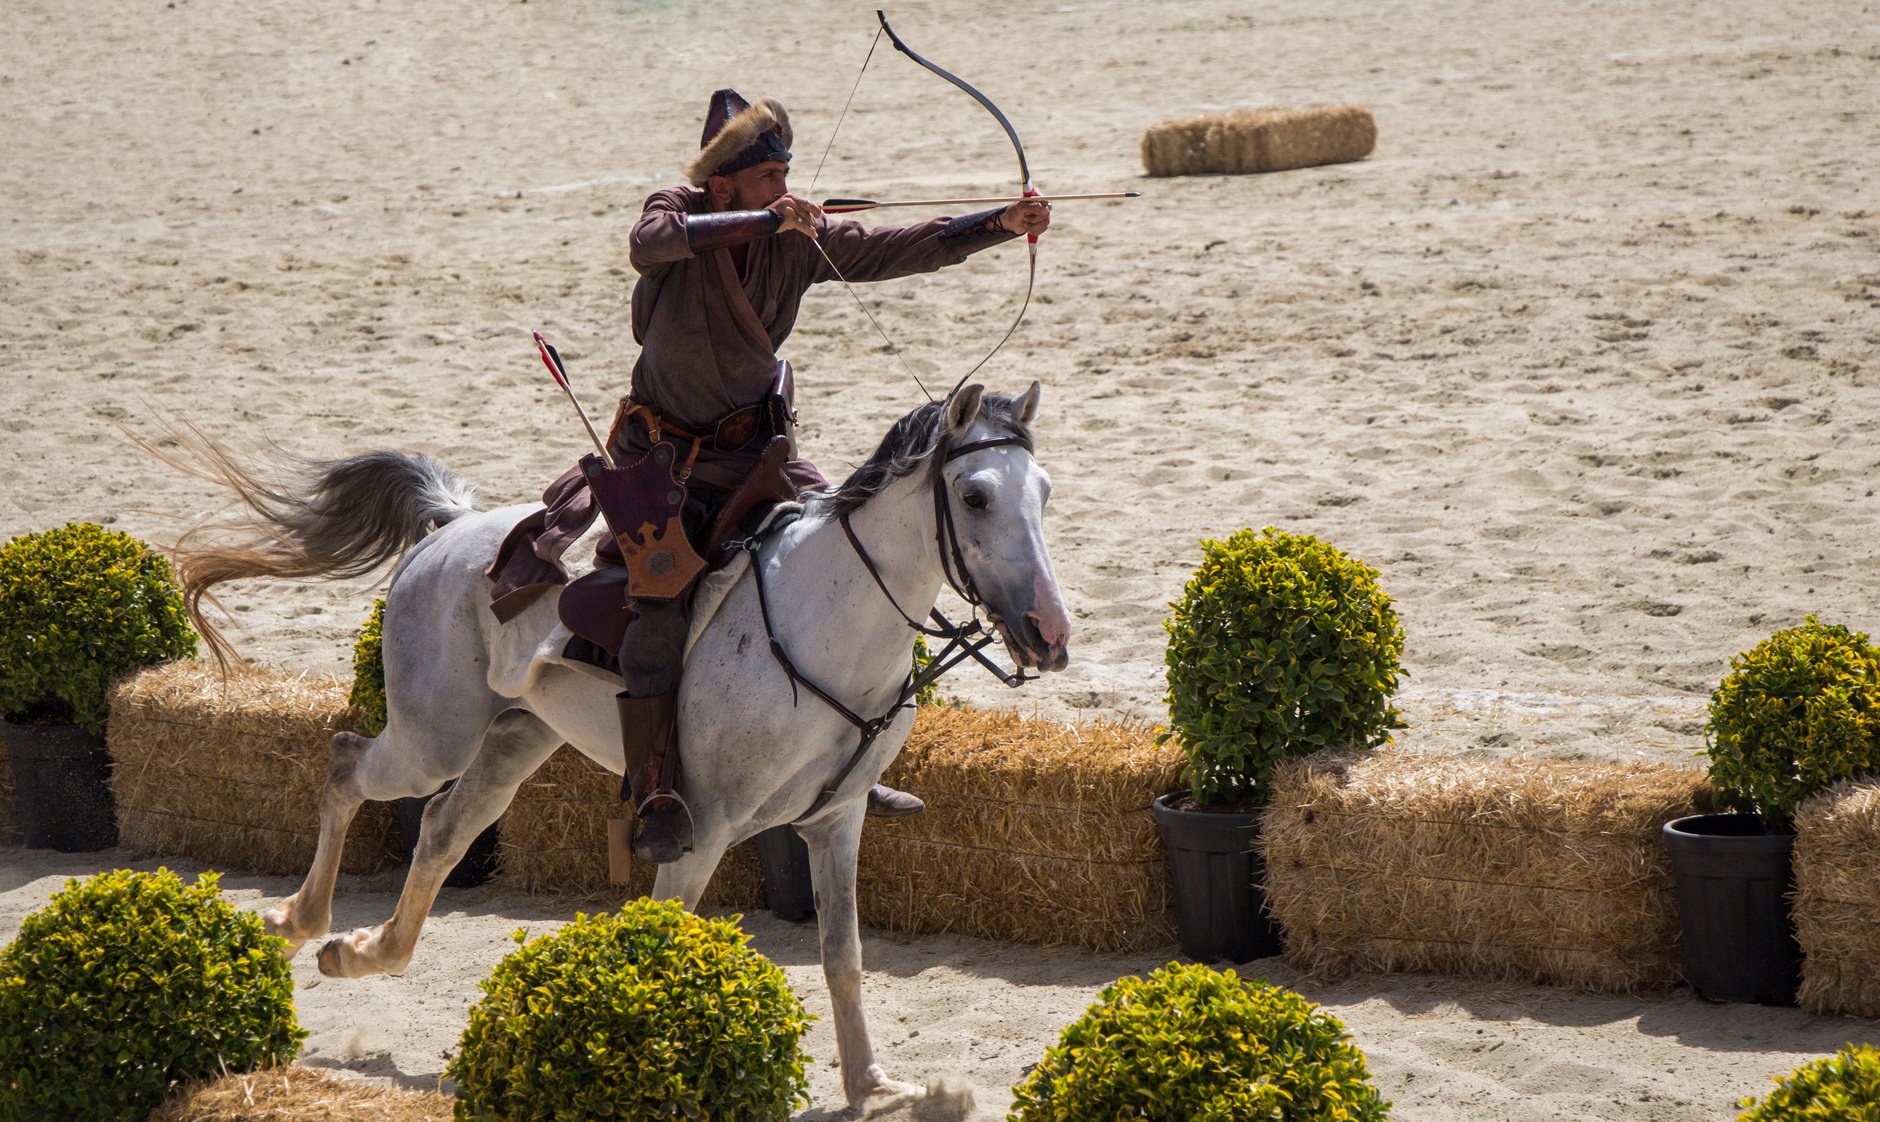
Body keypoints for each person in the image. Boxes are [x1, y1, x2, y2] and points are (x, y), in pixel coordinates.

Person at [605, 88, 1052, 862]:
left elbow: (889, 247)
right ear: (722, 185)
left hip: (756, 451)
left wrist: (997, 226)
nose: (787, 187)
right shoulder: (678, 210)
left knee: (844, 550)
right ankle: (656, 791)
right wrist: (762, 219)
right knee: (659, 600)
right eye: (770, 176)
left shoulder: (795, 238)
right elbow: (649, 244)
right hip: (661, 458)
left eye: (786, 173)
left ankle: (845, 762)